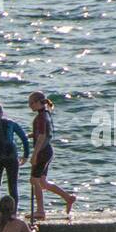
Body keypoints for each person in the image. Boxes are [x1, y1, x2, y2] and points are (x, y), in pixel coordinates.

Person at [28, 92, 76, 221]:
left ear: (39, 102)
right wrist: (31, 135)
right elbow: (43, 133)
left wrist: (34, 155)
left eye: (31, 103)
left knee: (34, 180)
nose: (29, 105)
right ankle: (68, 197)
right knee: (42, 182)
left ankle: (40, 211)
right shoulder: (45, 114)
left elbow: (42, 136)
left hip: (43, 152)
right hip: (48, 150)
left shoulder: (41, 117)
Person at [0, 102, 30, 217]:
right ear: (1, 113)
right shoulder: (10, 123)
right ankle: (14, 213)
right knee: (13, 185)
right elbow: (24, 139)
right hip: (12, 156)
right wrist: (26, 155)